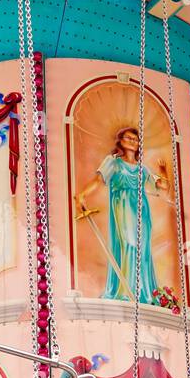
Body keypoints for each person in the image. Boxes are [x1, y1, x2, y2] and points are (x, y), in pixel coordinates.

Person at [75, 127, 168, 302]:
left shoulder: (142, 169)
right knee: (129, 243)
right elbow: (98, 180)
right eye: (129, 138)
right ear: (121, 141)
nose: (133, 141)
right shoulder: (113, 162)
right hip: (123, 206)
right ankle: (126, 291)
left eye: (136, 139)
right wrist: (82, 195)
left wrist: (163, 169)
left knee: (142, 248)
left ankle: (143, 293)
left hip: (142, 210)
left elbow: (163, 186)